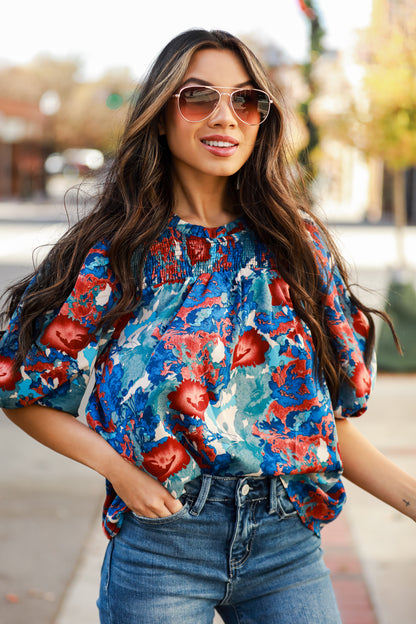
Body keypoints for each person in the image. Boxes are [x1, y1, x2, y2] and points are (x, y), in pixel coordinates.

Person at [0, 29, 415, 624]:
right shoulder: (115, 251)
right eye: (199, 97)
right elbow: (23, 391)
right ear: (161, 115)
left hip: (286, 542)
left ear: (261, 121)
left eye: (247, 101)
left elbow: (324, 423)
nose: (226, 116)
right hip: (163, 549)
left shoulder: (296, 243)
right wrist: (121, 473)